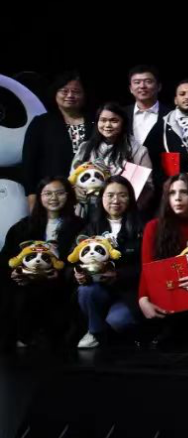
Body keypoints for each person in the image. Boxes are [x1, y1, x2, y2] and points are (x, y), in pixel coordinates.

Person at [137, 174, 188, 348]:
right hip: (166, 289)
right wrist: (142, 299)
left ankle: (180, 332)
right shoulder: (153, 227)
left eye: (184, 192)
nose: (178, 198)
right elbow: (147, 268)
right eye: (172, 193)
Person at [0, 177, 83, 349]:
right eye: (48, 193)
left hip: (62, 283)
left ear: (68, 195)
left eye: (59, 193)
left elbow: (81, 260)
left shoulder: (79, 226)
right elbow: (6, 259)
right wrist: (15, 273)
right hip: (26, 282)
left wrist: (60, 273)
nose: (53, 198)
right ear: (39, 196)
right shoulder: (23, 227)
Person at [74, 176, 145, 348]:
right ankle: (95, 331)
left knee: (119, 321)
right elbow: (73, 258)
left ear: (130, 198)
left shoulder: (141, 225)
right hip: (99, 288)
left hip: (130, 291)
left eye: (122, 195)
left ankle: (104, 330)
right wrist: (78, 273)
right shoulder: (91, 227)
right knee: (85, 291)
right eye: (110, 195)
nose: (116, 200)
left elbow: (147, 265)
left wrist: (118, 274)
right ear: (102, 198)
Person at [72, 102, 156, 216]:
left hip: (124, 214)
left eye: (114, 121)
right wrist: (76, 191)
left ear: (123, 123)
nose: (107, 125)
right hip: (89, 212)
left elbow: (147, 189)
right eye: (103, 120)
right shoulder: (85, 148)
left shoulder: (138, 152)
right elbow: (72, 180)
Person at [22, 71, 87, 211]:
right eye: (64, 91)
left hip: (89, 195)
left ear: (84, 95)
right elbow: (29, 164)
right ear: (55, 93)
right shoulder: (41, 123)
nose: (70, 95)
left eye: (76, 91)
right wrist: (32, 198)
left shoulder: (96, 122)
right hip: (52, 196)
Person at [128, 65, 170, 170]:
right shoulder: (120, 114)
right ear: (131, 89)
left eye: (148, 81)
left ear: (159, 86)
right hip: (123, 176)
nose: (142, 86)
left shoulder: (172, 115)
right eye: (137, 82)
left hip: (161, 176)